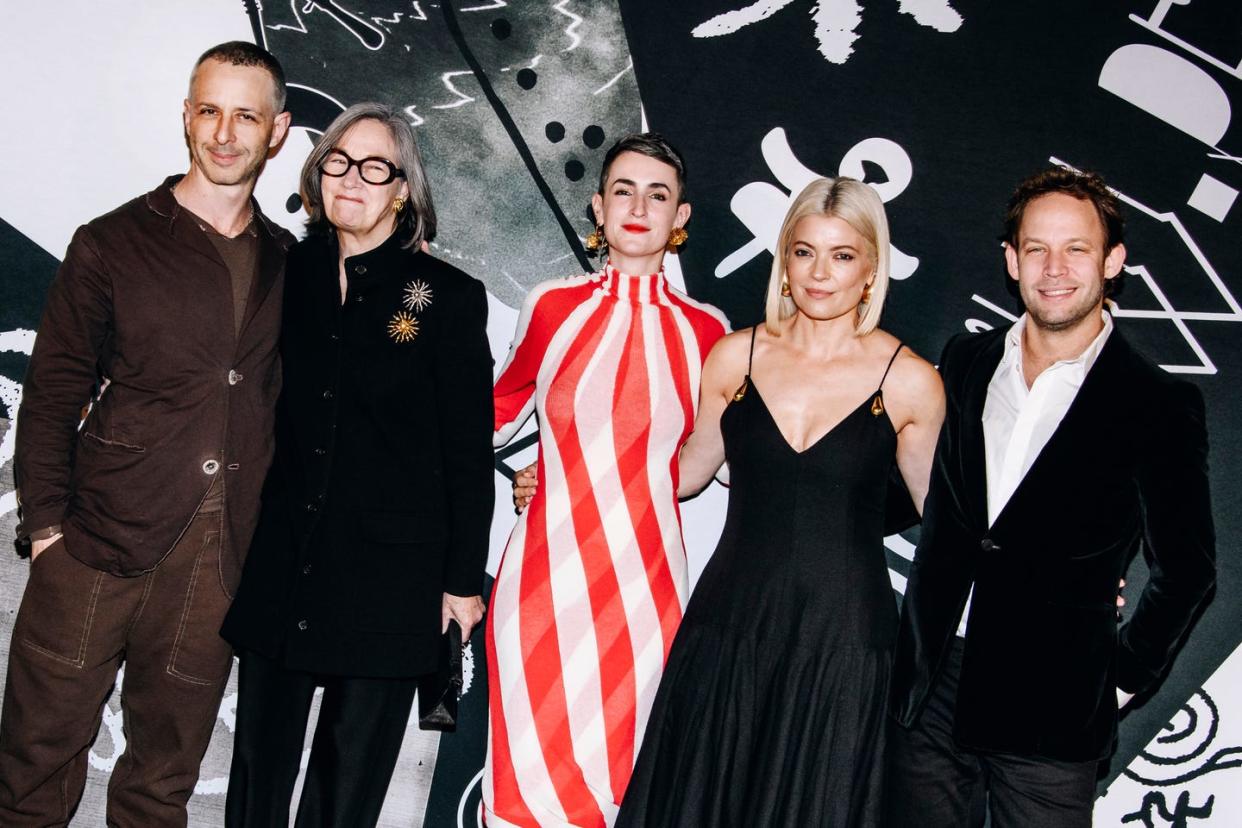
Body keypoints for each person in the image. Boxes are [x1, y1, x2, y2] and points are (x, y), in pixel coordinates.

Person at [1, 41, 291, 825]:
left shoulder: (292, 264)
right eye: (209, 110)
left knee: (161, 785)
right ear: (186, 118)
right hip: (95, 544)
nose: (224, 133)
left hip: (218, 565)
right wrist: (49, 529)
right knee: (32, 766)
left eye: (246, 115)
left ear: (278, 131)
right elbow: (54, 391)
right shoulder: (112, 241)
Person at [608, 177, 944, 827]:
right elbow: (685, 472)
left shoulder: (909, 381)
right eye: (804, 251)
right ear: (783, 259)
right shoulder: (735, 357)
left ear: (872, 268)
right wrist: (573, 472)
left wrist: (1061, 573)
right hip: (729, 625)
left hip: (844, 644)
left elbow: (946, 515)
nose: (821, 274)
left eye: (842, 255)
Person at [887, 167, 1217, 827]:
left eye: (1076, 249)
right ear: (1011, 261)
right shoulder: (966, 361)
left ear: (1113, 260)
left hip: (1055, 707)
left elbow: (1188, 569)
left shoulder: (1156, 404)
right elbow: (916, 493)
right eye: (1036, 248)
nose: (1054, 267)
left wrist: (1117, 680)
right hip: (933, 685)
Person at [219, 103, 494, 826]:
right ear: (318, 174)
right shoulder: (285, 269)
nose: (353, 178)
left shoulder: (446, 299)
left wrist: (462, 585)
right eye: (338, 161)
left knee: (344, 795)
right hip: (288, 567)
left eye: (376, 168)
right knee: (256, 777)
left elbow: (467, 451)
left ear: (402, 189)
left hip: (390, 582)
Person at [486, 133, 729, 827]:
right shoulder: (552, 306)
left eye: (659, 195)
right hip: (541, 582)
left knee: (620, 789)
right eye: (624, 189)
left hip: (644, 592)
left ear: (680, 218)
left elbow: (710, 466)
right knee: (523, 792)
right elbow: (490, 416)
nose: (639, 207)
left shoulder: (709, 332)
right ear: (598, 204)